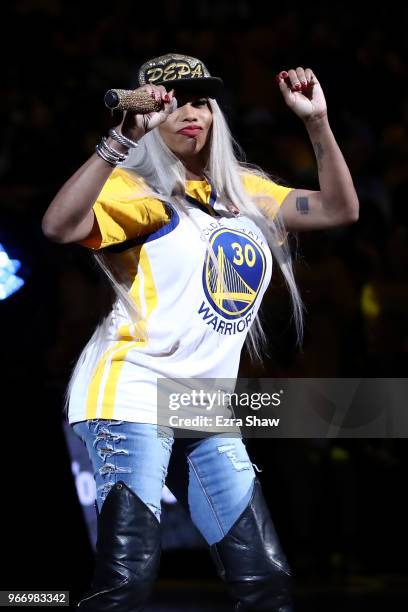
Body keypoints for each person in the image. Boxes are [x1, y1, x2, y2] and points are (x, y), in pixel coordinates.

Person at [42, 53, 359, 611]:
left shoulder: (244, 193)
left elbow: (339, 209)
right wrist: (117, 141)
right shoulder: (136, 191)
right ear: (150, 113)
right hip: (132, 391)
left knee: (266, 581)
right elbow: (59, 225)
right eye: (173, 100)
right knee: (127, 580)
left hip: (204, 403)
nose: (192, 110)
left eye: (201, 100)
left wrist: (316, 122)